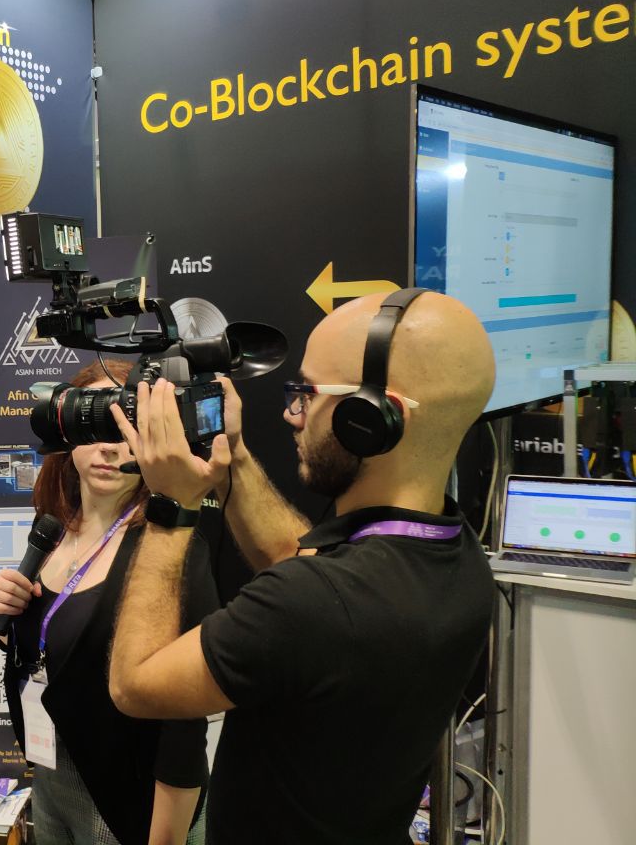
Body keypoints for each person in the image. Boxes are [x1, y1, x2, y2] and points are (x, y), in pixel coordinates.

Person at [107, 290, 497, 845]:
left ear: (372, 417)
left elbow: (134, 684)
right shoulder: (457, 555)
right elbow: (300, 563)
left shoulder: (312, 603)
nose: (292, 413)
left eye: (308, 394)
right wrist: (232, 457)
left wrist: (171, 506)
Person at [0, 360, 214, 845]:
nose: (109, 446)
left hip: (130, 800)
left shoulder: (170, 547)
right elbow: (54, 652)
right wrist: (4, 620)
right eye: (95, 424)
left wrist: (166, 837)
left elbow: (184, 720)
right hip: (52, 774)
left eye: (125, 426)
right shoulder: (51, 528)